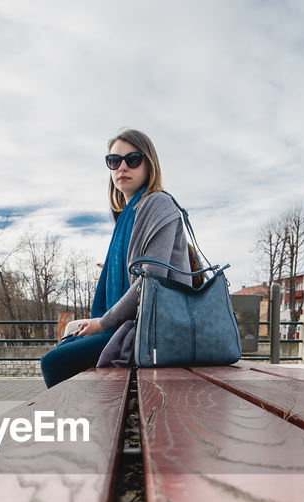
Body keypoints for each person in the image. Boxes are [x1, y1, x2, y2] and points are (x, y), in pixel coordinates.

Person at [40, 129, 195, 387]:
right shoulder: (127, 213)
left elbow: (151, 281)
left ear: (149, 163)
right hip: (132, 322)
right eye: (114, 161)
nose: (122, 167)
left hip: (154, 328)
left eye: (132, 159)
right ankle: (94, 419)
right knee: (71, 338)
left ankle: (84, 425)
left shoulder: (158, 204)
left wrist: (102, 322)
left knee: (54, 362)